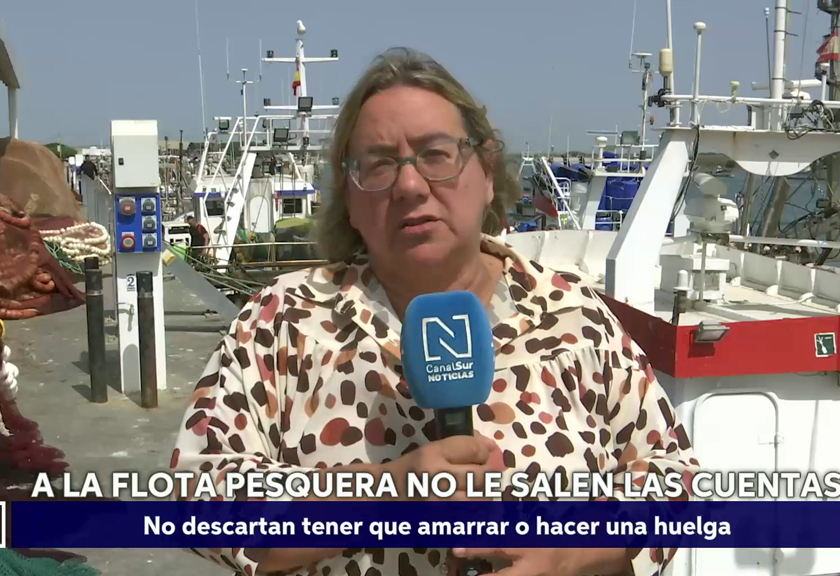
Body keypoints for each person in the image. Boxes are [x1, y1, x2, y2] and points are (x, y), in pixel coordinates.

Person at [170, 47, 699, 576]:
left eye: (436, 154)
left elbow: (675, 479)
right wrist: (384, 493)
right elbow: (198, 495)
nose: (409, 185)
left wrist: (571, 551)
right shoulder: (282, 320)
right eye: (378, 164)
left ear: (487, 173)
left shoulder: (572, 314)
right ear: (349, 199)